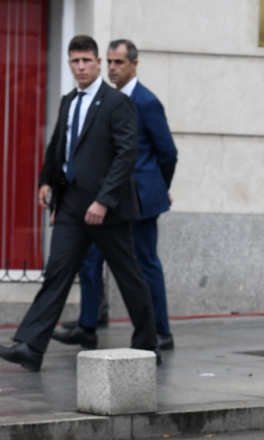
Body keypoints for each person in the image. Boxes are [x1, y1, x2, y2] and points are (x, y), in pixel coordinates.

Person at [0, 35, 157, 372]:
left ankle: (148, 342)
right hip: (71, 204)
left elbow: (126, 154)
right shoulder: (68, 100)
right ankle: (30, 346)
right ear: (70, 63)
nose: (81, 67)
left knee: (128, 275)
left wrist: (103, 200)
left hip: (108, 210)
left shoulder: (116, 102)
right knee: (57, 272)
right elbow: (59, 145)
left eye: (87, 60)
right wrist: (46, 181)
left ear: (98, 63)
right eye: (75, 61)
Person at [53, 39, 178, 352]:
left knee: (144, 265)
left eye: (119, 62)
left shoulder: (146, 102)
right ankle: (88, 324)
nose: (112, 68)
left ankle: (160, 331)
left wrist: (160, 188)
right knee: (90, 261)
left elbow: (167, 152)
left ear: (134, 65)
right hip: (104, 199)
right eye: (109, 61)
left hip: (139, 199)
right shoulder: (100, 99)